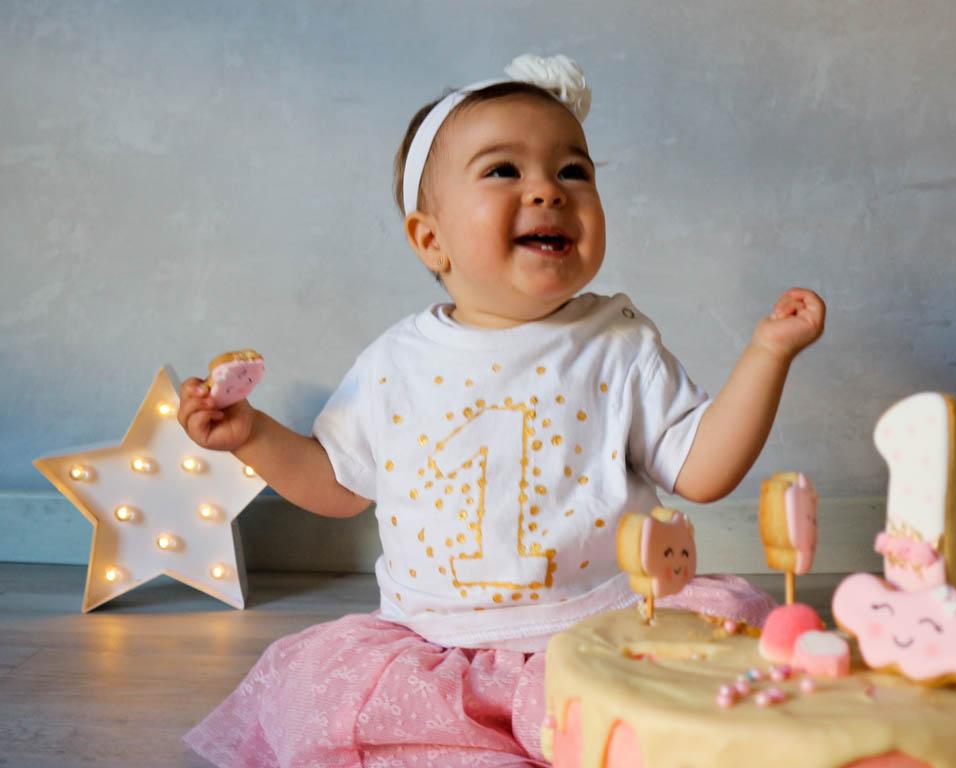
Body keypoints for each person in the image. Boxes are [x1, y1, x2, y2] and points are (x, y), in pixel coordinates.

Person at [181, 54, 826, 768]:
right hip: (437, 644)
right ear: (431, 239)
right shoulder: (398, 360)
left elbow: (701, 471)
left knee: (710, 694)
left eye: (573, 171)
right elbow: (337, 481)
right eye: (503, 171)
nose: (548, 190)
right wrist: (255, 436)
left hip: (607, 625)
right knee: (384, 725)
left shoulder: (618, 343)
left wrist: (767, 354)